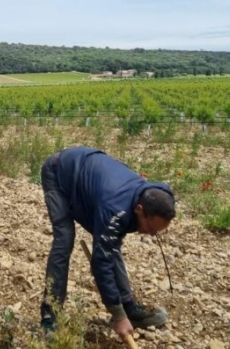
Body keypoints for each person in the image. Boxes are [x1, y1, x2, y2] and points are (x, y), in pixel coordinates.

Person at [39, 146, 175, 341]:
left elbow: (109, 245)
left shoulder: (162, 195)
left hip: (92, 181)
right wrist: (117, 316)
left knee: (110, 240)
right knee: (65, 239)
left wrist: (121, 309)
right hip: (59, 172)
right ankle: (49, 314)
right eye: (151, 228)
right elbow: (101, 262)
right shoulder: (114, 209)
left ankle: (129, 307)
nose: (152, 235)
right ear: (138, 209)